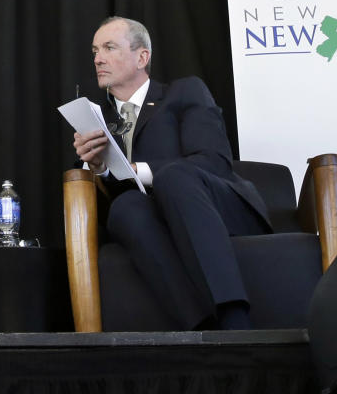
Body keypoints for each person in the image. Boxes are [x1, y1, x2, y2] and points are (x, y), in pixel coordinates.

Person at [72, 16, 271, 330]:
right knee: (125, 208)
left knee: (173, 176)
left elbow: (214, 160)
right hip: (153, 220)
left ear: (142, 57)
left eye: (109, 47)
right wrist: (96, 167)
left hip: (218, 207)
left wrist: (140, 169)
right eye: (95, 50)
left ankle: (236, 324)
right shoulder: (99, 122)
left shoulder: (184, 92)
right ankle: (200, 328)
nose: (98, 58)